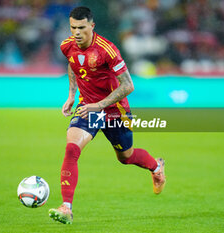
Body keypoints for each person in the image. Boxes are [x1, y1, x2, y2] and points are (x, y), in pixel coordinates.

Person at [49, 6, 166, 224]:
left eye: (82, 28)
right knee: (72, 148)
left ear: (92, 26)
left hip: (114, 110)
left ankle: (156, 167)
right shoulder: (67, 46)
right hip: (87, 107)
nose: (77, 32)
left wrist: (100, 105)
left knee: (126, 157)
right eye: (73, 27)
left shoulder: (107, 50)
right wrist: (71, 95)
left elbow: (128, 85)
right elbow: (73, 65)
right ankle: (66, 207)